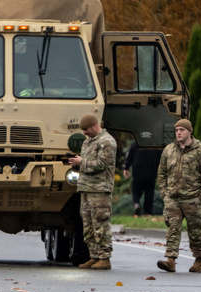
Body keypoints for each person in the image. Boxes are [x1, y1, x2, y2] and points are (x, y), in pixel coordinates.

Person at [156, 118, 201, 273]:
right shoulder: (169, 150)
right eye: (176, 130)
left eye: (182, 130)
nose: (178, 133)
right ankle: (170, 260)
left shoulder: (200, 150)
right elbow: (162, 172)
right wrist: (164, 192)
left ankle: (198, 260)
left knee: (195, 231)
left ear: (190, 131)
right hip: (172, 198)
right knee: (172, 229)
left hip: (192, 198)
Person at [67, 113, 117, 270]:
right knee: (88, 225)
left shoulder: (107, 141)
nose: (84, 133)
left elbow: (102, 164)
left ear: (95, 125)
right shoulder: (88, 142)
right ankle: (94, 256)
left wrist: (82, 162)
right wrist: (76, 163)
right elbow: (88, 163)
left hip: (100, 189)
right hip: (86, 188)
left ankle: (104, 258)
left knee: (101, 223)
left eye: (86, 129)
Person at [122, 140, 162, 216]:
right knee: (149, 193)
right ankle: (147, 212)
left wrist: (126, 168)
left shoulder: (136, 143)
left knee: (136, 191)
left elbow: (130, 157)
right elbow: (161, 159)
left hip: (138, 172)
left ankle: (136, 204)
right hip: (151, 172)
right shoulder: (156, 144)